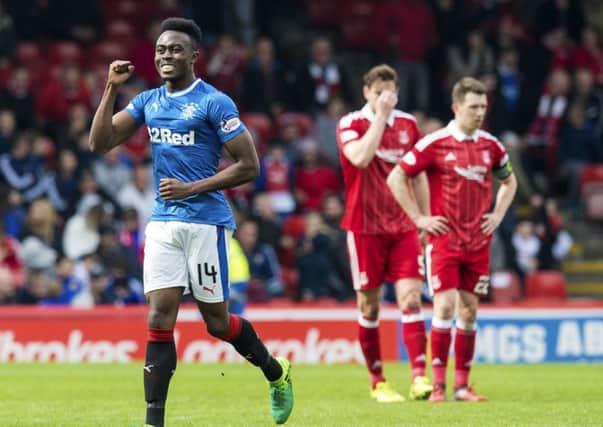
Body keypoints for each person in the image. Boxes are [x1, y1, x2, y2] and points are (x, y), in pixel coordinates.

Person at [88, 18, 293, 427]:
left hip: (205, 221)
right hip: (164, 222)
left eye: (176, 49)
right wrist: (111, 88)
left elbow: (249, 166)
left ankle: (275, 372)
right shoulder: (148, 101)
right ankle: (154, 421)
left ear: (194, 56)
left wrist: (192, 187)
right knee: (158, 317)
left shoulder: (215, 102)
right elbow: (100, 142)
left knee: (217, 323)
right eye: (162, 49)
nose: (167, 56)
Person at [387, 77, 518, 402]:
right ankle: (439, 385)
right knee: (444, 306)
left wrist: (498, 214)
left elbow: (509, 181)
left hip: (478, 242)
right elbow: (397, 176)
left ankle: (462, 385)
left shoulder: (492, 146)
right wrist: (419, 218)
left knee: (470, 311)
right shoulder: (435, 143)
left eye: (483, 107)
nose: (479, 113)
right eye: (473, 107)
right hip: (443, 241)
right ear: (456, 107)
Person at [336, 64, 433, 402]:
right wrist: (381, 115)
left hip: (403, 225)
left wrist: (423, 218)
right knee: (370, 306)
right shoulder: (351, 123)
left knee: (410, 298)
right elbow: (360, 158)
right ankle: (378, 381)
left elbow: (418, 175)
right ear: (366, 93)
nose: (385, 99)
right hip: (364, 227)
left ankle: (420, 377)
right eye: (378, 93)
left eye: (390, 93)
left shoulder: (408, 125)